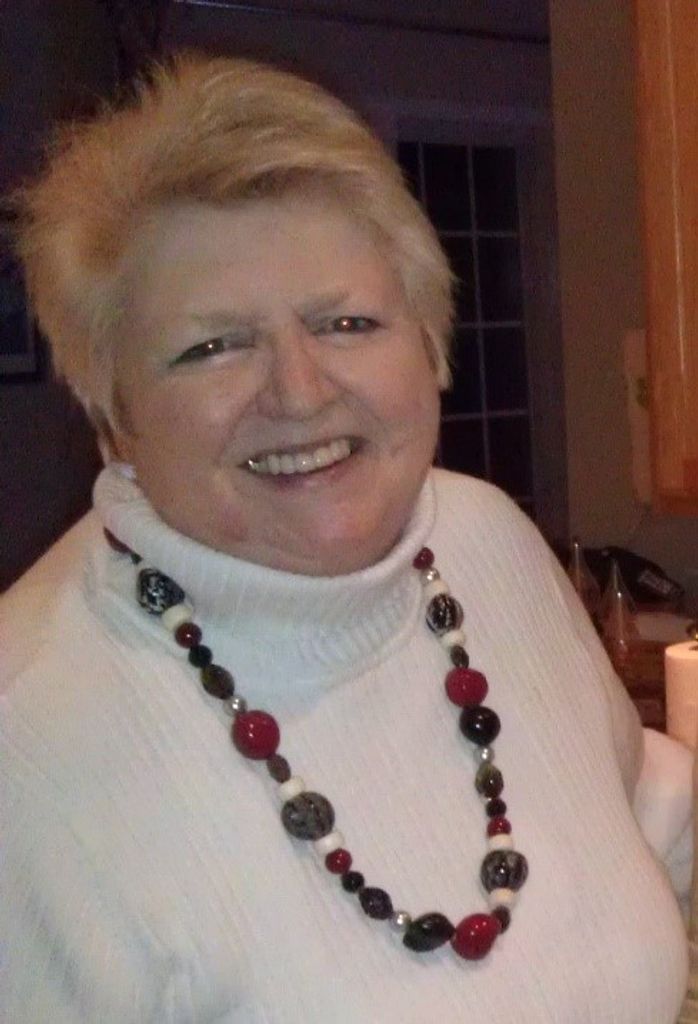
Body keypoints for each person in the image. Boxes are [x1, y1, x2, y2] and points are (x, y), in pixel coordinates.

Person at [0, 53, 693, 1024]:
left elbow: (642, 815)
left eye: (347, 322)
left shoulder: (482, 539)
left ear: (430, 348)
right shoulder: (28, 751)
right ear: (114, 413)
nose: (299, 391)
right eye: (211, 346)